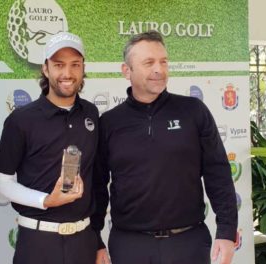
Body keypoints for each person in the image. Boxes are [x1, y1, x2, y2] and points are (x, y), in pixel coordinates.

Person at [91, 30, 238, 264]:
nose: (159, 69)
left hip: (189, 243)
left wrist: (227, 232)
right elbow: (97, 186)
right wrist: (95, 240)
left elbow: (218, 173)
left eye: (164, 61)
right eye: (149, 62)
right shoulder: (109, 123)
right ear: (126, 71)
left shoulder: (193, 111)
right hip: (129, 246)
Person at [0, 31, 103, 264]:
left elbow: (97, 179)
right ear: (45, 69)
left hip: (83, 241)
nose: (67, 73)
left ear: (83, 68)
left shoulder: (91, 114)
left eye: (75, 65)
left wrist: (98, 240)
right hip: (37, 243)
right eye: (59, 64)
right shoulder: (21, 120)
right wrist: (46, 200)